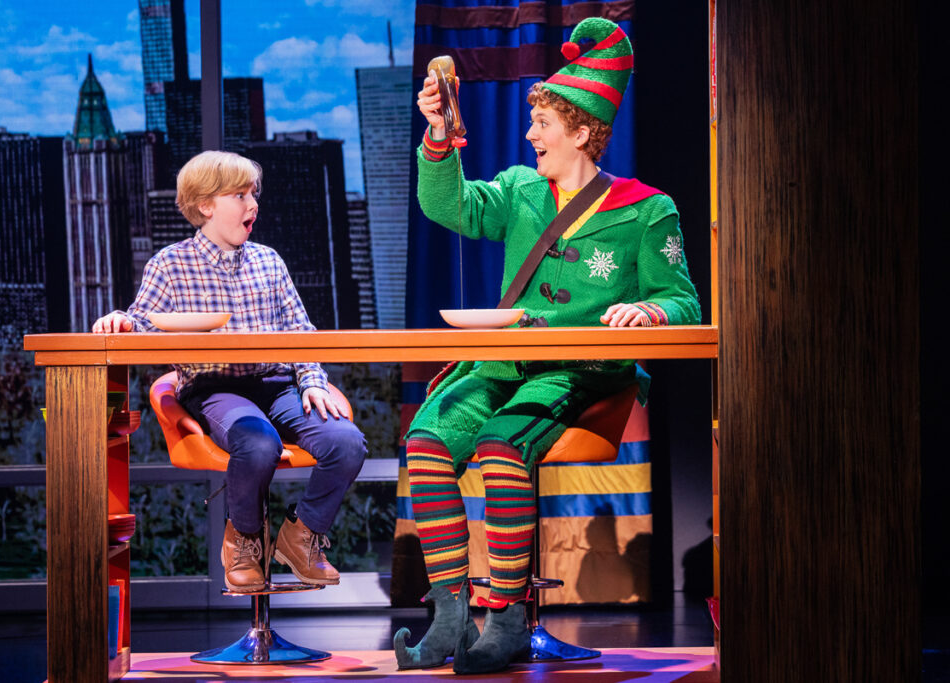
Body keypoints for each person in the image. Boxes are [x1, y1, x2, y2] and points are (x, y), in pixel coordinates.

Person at [394, 17, 700, 674]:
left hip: (576, 370)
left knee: (503, 446)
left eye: (543, 124)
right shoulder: (519, 189)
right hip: (501, 360)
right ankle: (449, 615)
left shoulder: (648, 209)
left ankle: (505, 618)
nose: (530, 134)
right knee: (426, 441)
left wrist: (649, 308)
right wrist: (439, 135)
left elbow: (684, 302)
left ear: (583, 132)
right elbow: (452, 206)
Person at [92, 150, 366, 592]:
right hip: (215, 387)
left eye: (253, 194)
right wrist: (120, 322)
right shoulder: (170, 264)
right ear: (205, 205)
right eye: (240, 195)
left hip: (277, 385)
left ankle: (302, 535)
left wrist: (312, 380)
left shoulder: (269, 261)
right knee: (258, 444)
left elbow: (301, 332)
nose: (252, 204)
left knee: (347, 442)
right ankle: (244, 539)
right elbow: (142, 322)